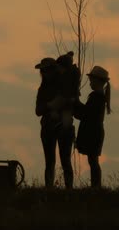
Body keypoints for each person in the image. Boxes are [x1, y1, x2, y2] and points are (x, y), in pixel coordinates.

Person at [35, 57, 74, 188]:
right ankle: (49, 188)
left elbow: (69, 105)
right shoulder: (42, 89)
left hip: (63, 128)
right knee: (49, 163)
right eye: (43, 71)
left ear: (53, 70)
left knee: (66, 161)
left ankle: (69, 189)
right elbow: (38, 110)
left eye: (46, 70)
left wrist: (58, 109)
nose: (44, 73)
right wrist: (50, 106)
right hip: (47, 128)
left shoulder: (64, 87)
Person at [74, 65, 112, 188]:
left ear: (98, 81)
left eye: (92, 79)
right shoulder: (99, 97)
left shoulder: (97, 97)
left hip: (93, 133)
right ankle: (96, 186)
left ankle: (96, 186)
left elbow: (85, 114)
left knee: (93, 161)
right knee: (93, 160)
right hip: (95, 132)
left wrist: (75, 102)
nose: (90, 82)